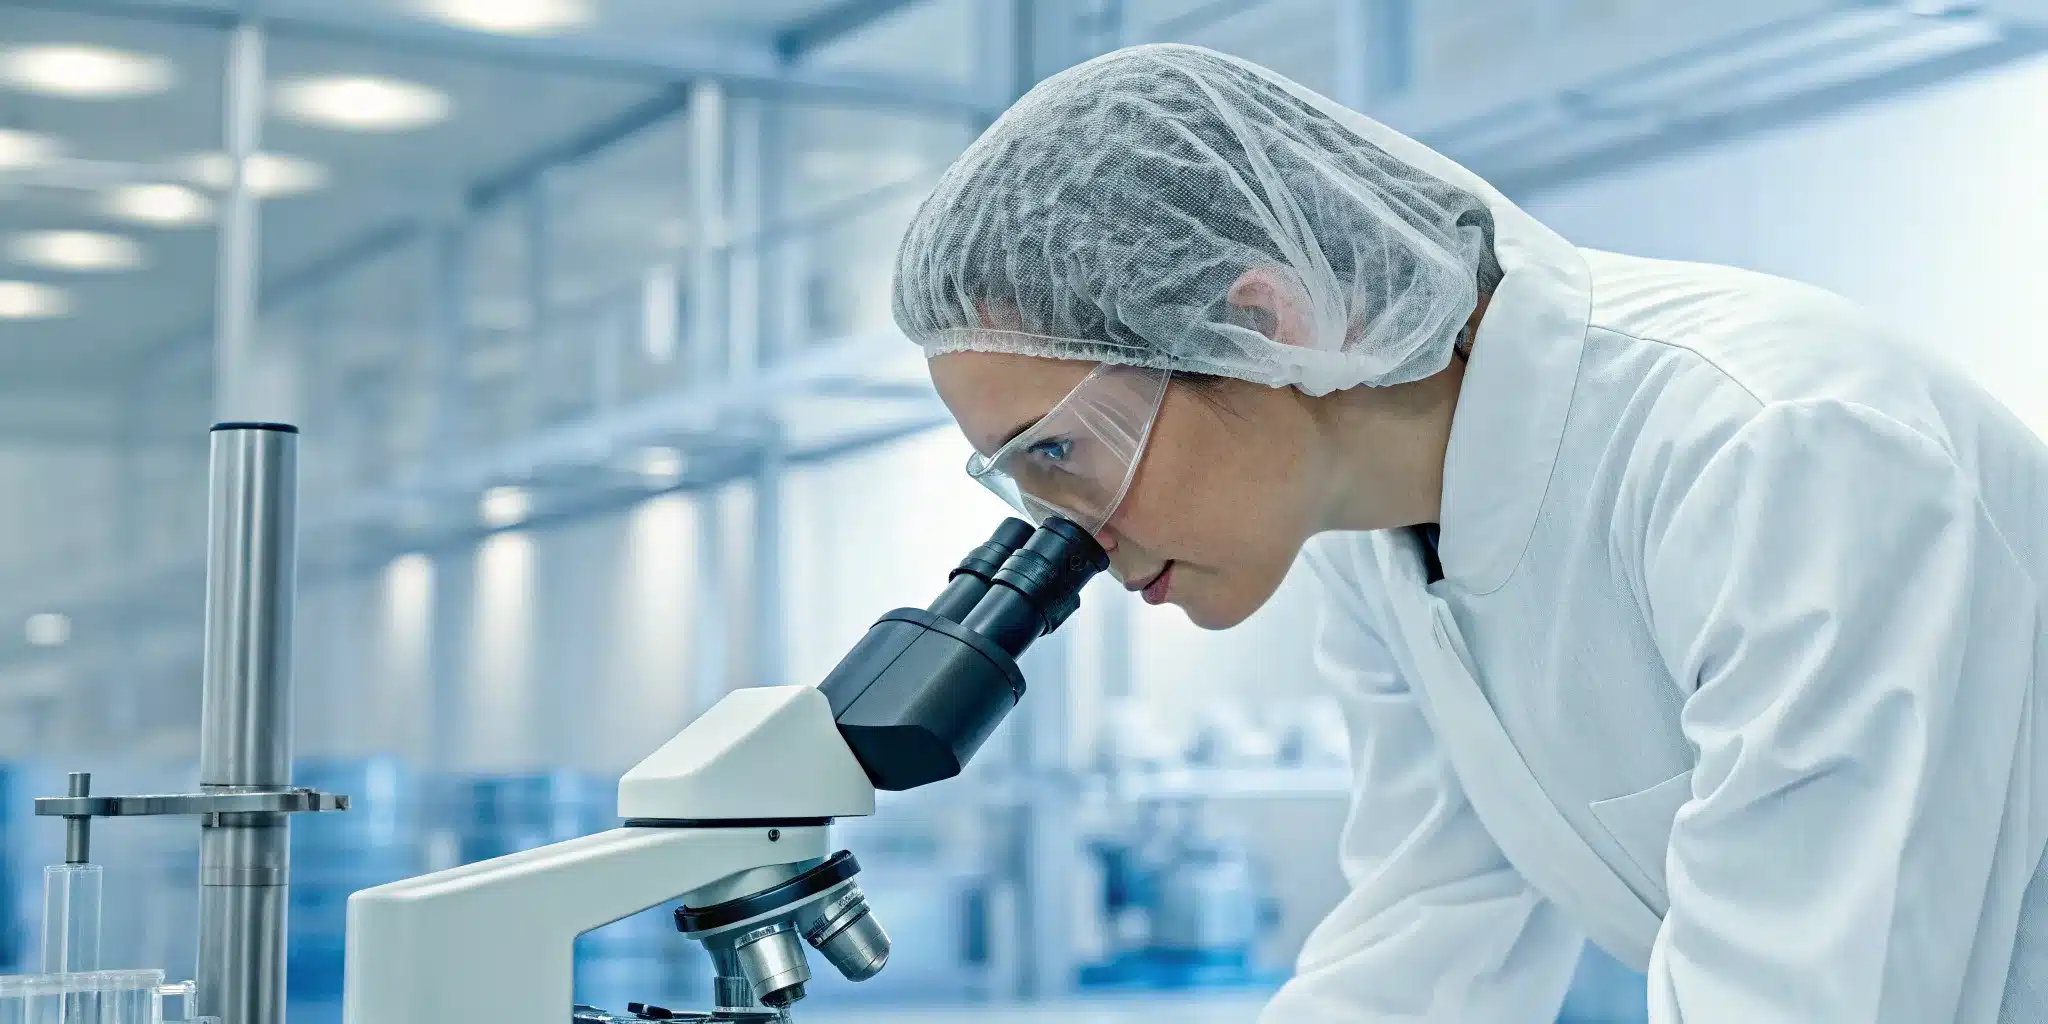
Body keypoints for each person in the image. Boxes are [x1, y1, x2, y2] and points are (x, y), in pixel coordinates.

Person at [889, 42, 2048, 1023]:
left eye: (1059, 450)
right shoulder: (1371, 530)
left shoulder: (1771, 451)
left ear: (1256, 322)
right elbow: (1428, 935)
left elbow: (1805, 994)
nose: (1065, 536)